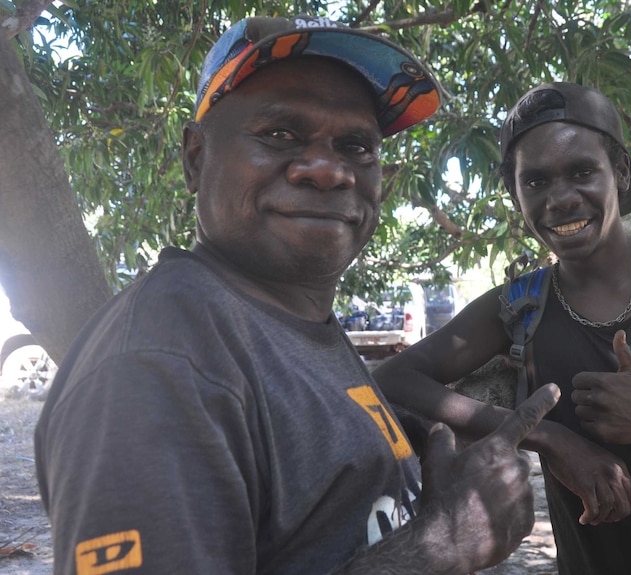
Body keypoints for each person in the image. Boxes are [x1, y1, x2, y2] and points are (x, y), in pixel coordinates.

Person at [34, 15, 562, 575]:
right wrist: (440, 546)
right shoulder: (157, 367)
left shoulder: (290, 322)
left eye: (356, 145)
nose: (328, 171)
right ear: (195, 157)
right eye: (280, 135)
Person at [375, 82, 631, 574]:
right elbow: (391, 380)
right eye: (535, 183)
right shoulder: (518, 307)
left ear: (618, 171)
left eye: (582, 172)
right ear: (516, 196)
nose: (561, 199)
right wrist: (550, 438)